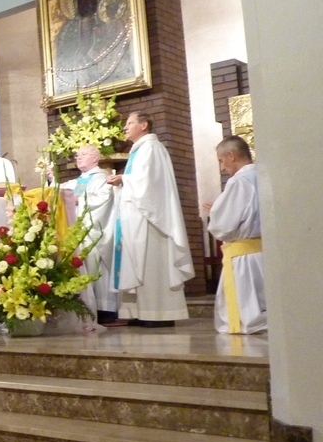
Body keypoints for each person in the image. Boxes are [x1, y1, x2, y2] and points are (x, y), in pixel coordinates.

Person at [106, 112, 194, 325]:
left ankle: (159, 314)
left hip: (151, 220)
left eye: (130, 123)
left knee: (152, 264)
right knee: (138, 263)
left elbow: (150, 183)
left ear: (144, 125)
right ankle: (139, 312)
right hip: (137, 217)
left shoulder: (152, 148)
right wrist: (123, 182)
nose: (125, 127)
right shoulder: (139, 150)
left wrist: (124, 179)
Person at [204, 136, 266, 334]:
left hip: (244, 257)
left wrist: (216, 213)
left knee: (245, 315)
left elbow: (224, 225)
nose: (222, 167)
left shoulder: (239, 181)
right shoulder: (263, 176)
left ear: (231, 155)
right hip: (263, 254)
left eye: (221, 161)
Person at [61, 145, 119, 324]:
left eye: (83, 154)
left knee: (95, 265)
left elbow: (104, 199)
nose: (78, 158)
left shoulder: (102, 177)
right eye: (77, 155)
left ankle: (103, 308)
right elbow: (61, 192)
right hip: (76, 230)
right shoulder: (78, 180)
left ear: (95, 158)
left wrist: (79, 200)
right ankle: (84, 306)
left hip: (94, 230)